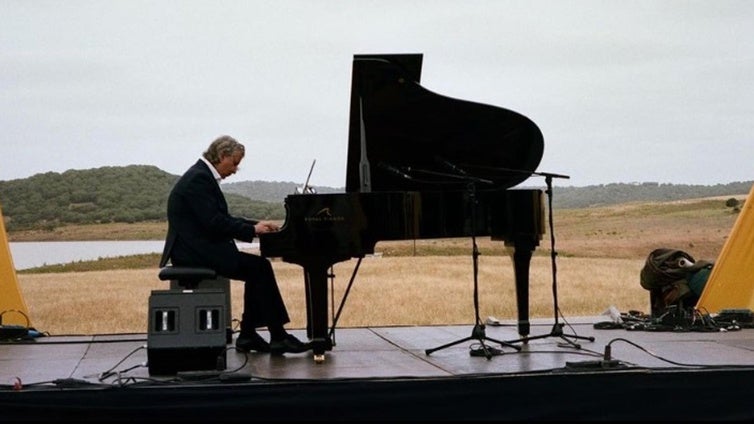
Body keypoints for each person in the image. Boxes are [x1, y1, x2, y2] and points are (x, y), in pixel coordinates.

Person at [159, 135, 311, 355]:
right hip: (194, 252)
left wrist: (255, 225)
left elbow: (220, 217)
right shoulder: (198, 180)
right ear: (223, 156)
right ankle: (276, 336)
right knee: (260, 268)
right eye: (235, 163)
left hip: (199, 248)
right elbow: (214, 222)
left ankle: (251, 334)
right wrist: (251, 230)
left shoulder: (200, 176)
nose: (235, 169)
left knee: (257, 270)